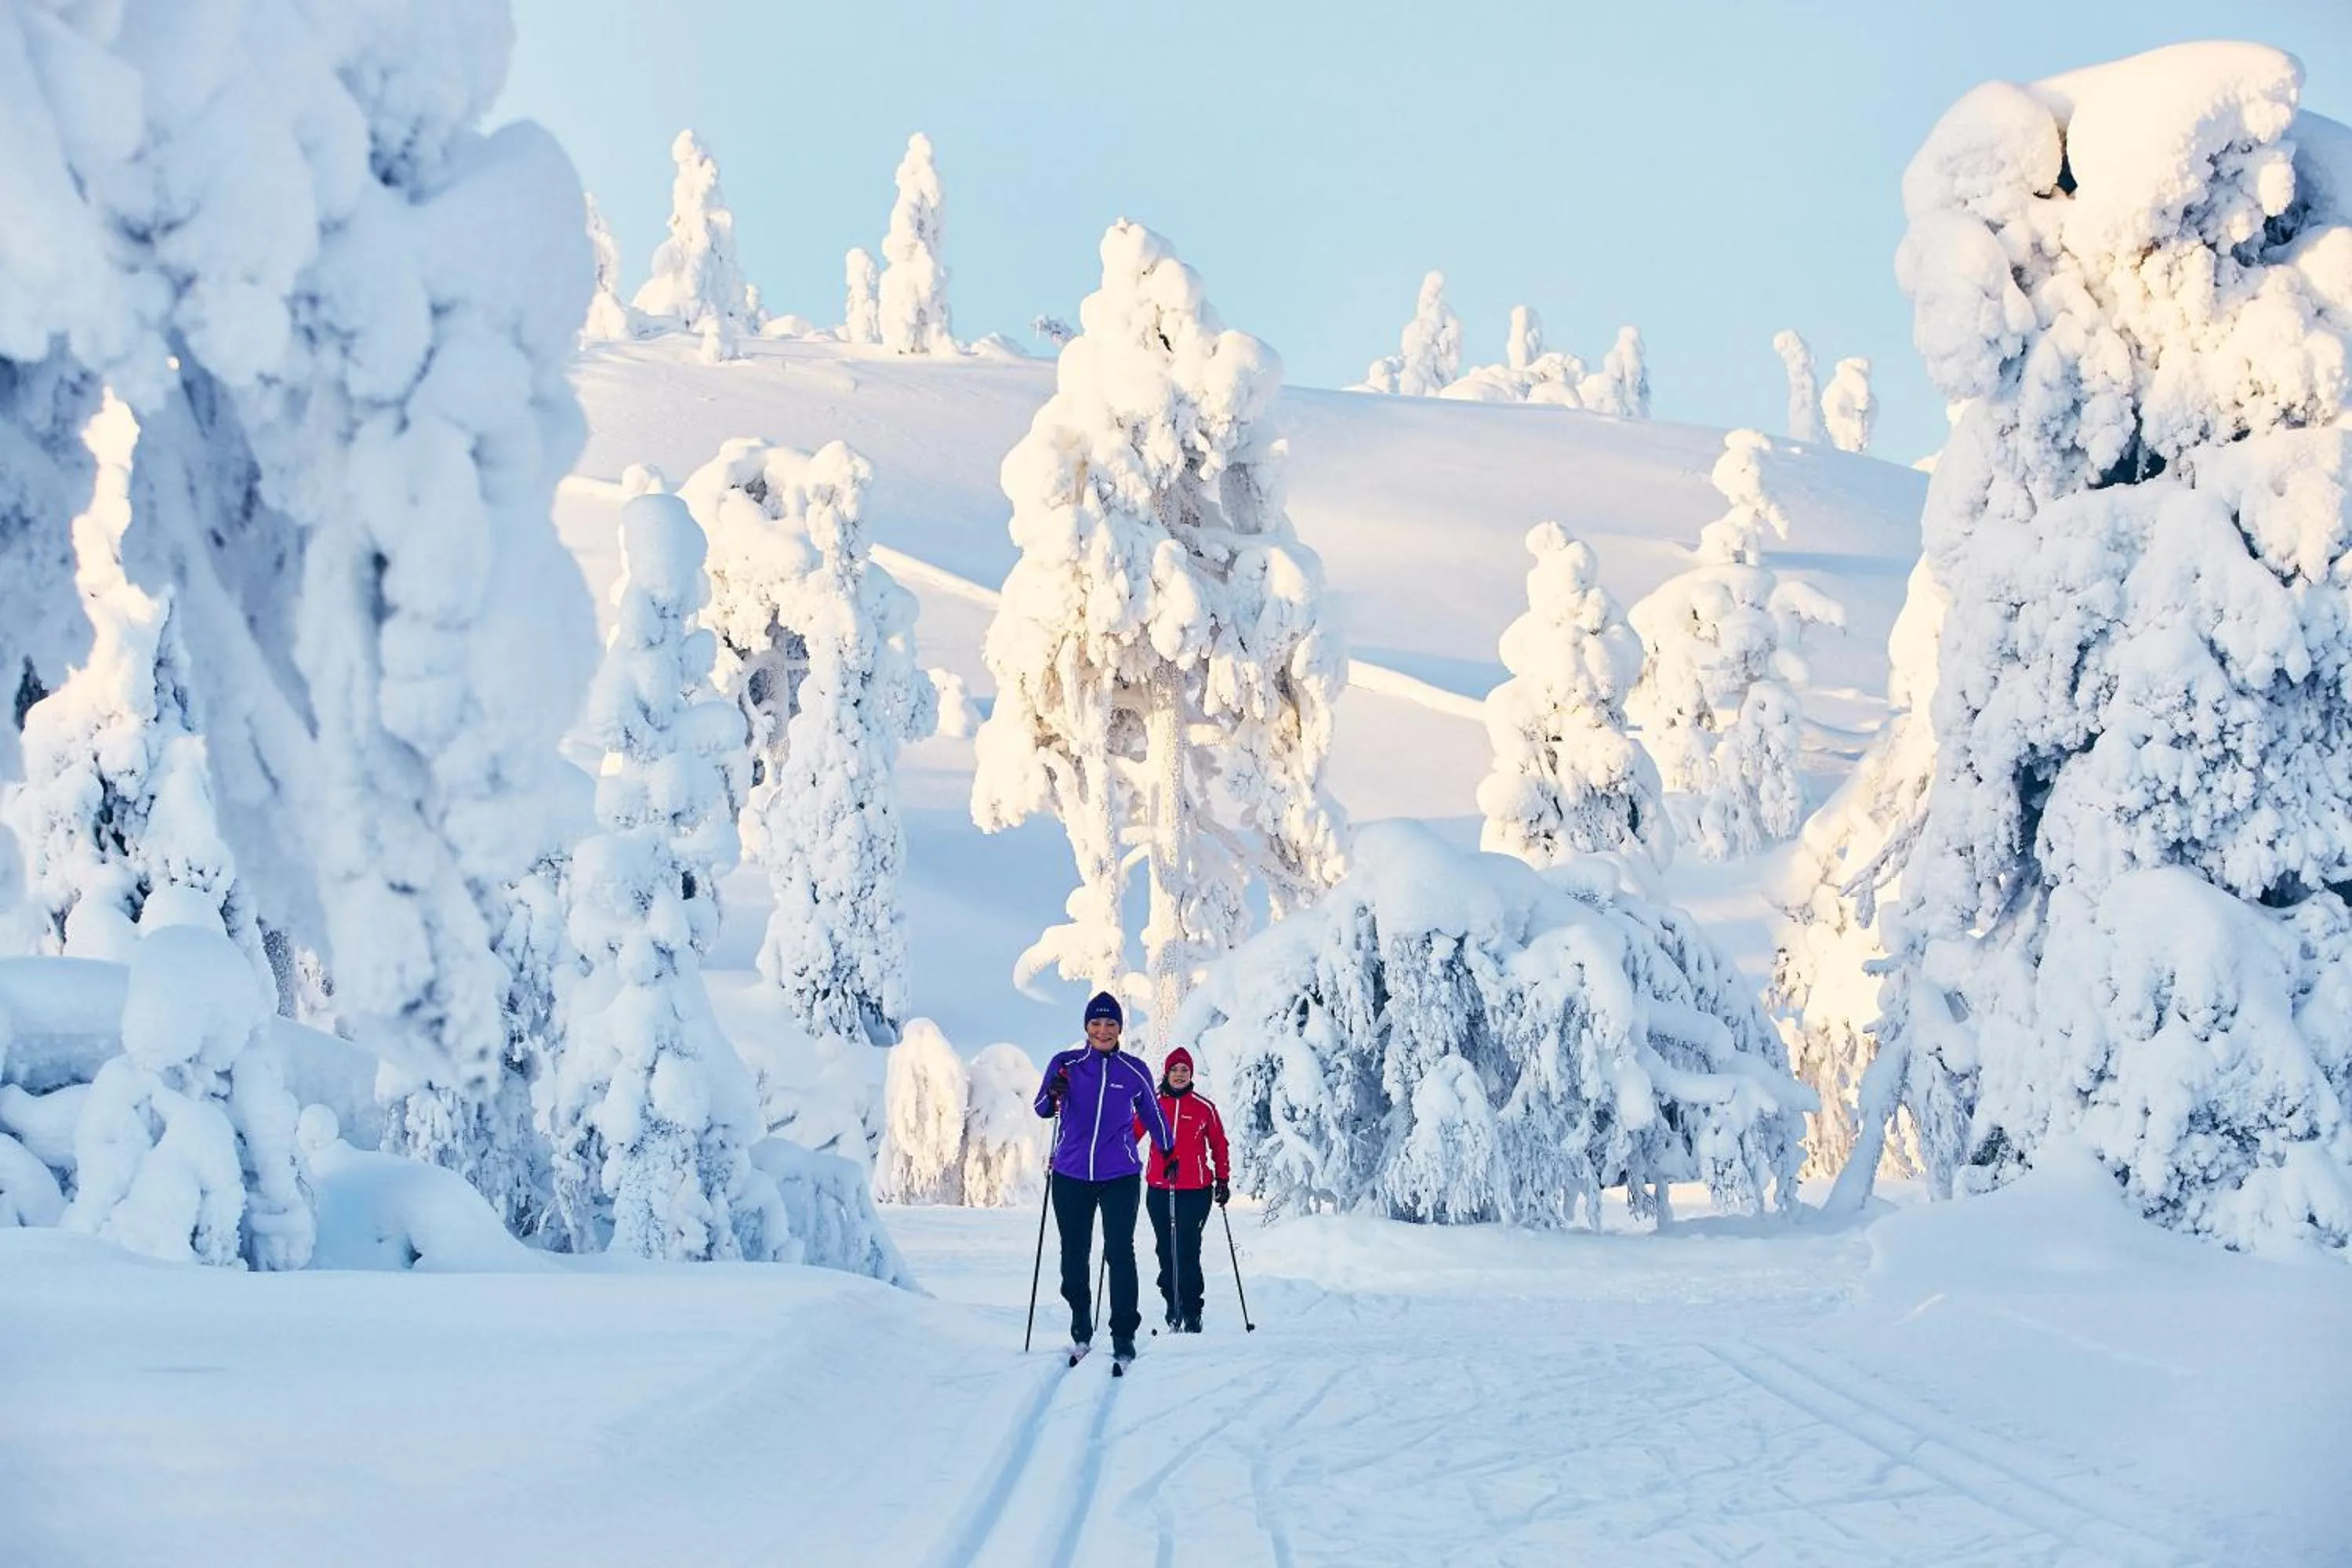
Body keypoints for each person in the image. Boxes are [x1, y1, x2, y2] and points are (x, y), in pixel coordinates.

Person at [1034, 992, 1174, 1365]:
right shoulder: (1066, 1064)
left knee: (1119, 1252)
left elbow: (1154, 1113)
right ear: (1086, 1027)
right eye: (1096, 1023)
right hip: (1071, 1174)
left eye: (1111, 1023)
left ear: (1120, 1028)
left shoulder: (1133, 1070)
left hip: (1120, 1174)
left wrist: (1168, 1150)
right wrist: (1053, 1091)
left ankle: (1124, 1334)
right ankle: (1081, 1323)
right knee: (1074, 1255)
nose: (1103, 1030)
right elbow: (1042, 1109)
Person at [1138, 1045, 1229, 1334]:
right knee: (1166, 1249)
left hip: (1195, 1190)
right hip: (1159, 1188)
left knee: (1188, 1248)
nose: (1179, 1075)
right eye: (1175, 1070)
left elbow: (1219, 1144)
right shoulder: (1152, 1104)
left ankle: (1192, 1309)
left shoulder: (1204, 1108)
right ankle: (1172, 1303)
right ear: (1166, 1073)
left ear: (1191, 1075)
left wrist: (1223, 1180)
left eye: (1184, 1071)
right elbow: (1131, 1134)